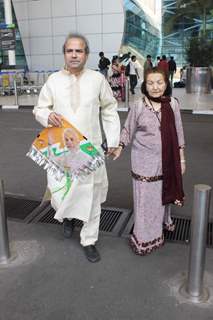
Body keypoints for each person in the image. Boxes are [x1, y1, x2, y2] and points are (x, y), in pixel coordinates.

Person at [33, 33, 120, 263]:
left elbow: (110, 108)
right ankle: (68, 217)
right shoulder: (53, 80)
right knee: (60, 192)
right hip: (60, 150)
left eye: (79, 51)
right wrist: (47, 115)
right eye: (70, 50)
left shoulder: (97, 80)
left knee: (90, 196)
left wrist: (112, 140)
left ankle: (89, 239)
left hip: (89, 150)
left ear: (86, 54)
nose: (74, 55)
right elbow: (39, 108)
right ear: (64, 53)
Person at [113, 67, 185, 255]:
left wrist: (182, 159)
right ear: (145, 85)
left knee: (164, 193)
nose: (155, 87)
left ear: (166, 84)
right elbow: (128, 129)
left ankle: (163, 222)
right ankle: (144, 239)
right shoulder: (138, 105)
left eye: (159, 82)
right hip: (143, 161)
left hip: (167, 160)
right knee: (145, 199)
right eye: (151, 83)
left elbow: (178, 132)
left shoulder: (173, 104)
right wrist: (120, 146)